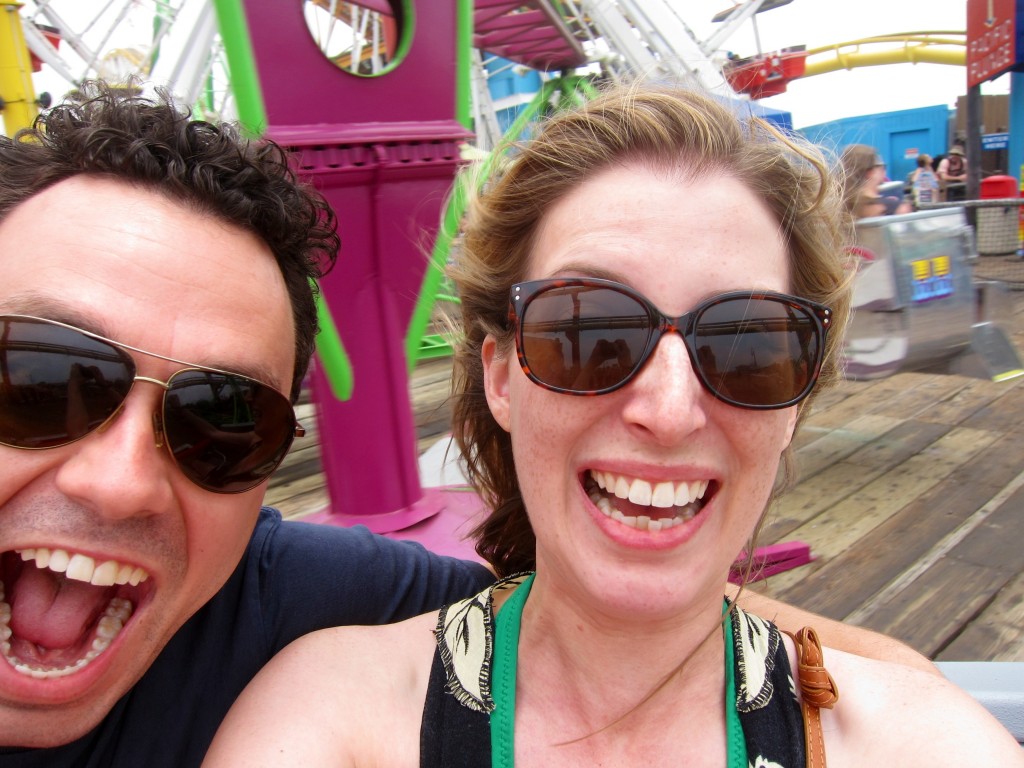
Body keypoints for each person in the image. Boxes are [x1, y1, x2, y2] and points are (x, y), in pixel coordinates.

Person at [206, 85, 1022, 765]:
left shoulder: (914, 743)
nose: (668, 411)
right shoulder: (334, 725)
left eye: (748, 348)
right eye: (587, 332)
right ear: (499, 376)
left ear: (795, 402)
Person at [0, 81, 495, 767]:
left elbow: (545, 616)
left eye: (222, 421)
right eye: (40, 380)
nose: (118, 483)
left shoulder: (271, 591)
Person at [840, 143, 912, 219]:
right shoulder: (895, 208)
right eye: (882, 167)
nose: (884, 170)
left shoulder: (839, 208)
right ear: (870, 172)